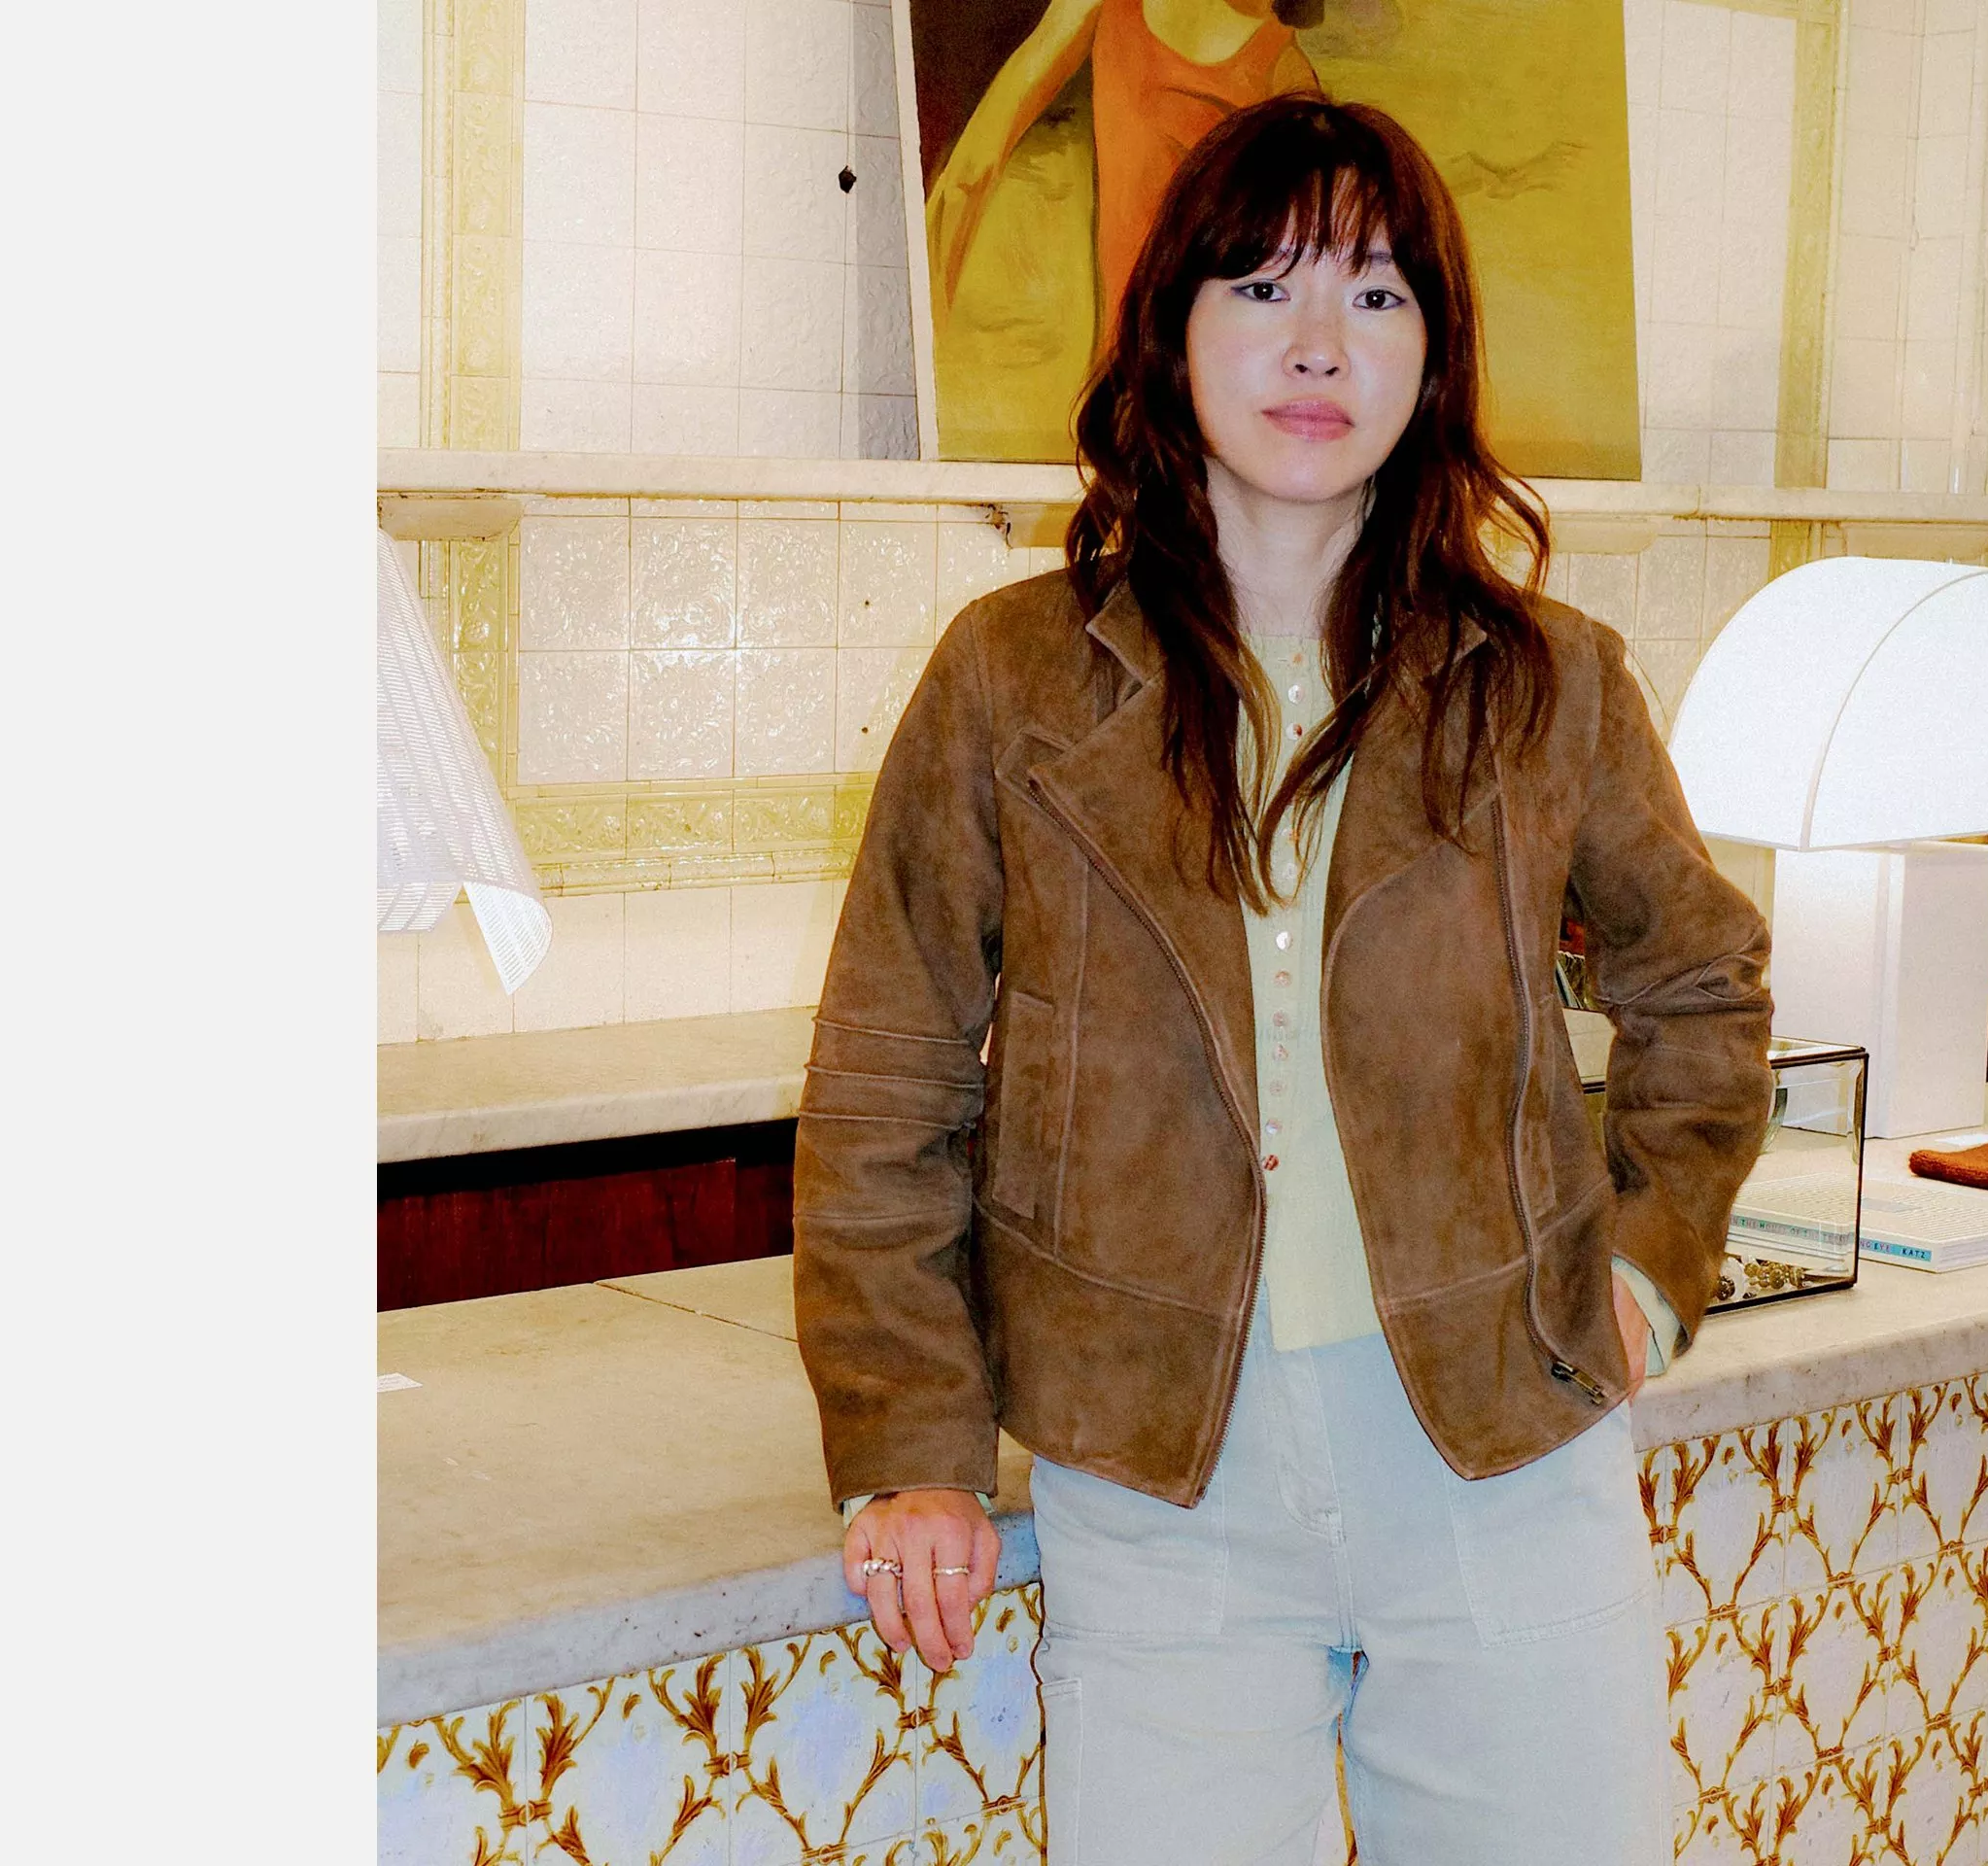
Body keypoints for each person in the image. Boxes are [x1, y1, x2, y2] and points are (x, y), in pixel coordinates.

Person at [797, 96, 1771, 1865]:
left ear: (1435, 356)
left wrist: (1648, 1263)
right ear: (1173, 330)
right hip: (1159, 1477)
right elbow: (890, 1075)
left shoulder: (1546, 684)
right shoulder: (1013, 679)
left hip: (1501, 1454)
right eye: (1264, 285)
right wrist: (909, 1441)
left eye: (1382, 296)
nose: (1322, 343)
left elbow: (1705, 985)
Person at [924, 0, 1326, 360]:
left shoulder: (1288, 82)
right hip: (1154, 370)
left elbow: (970, 172)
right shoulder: (1287, 79)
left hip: (1183, 371)